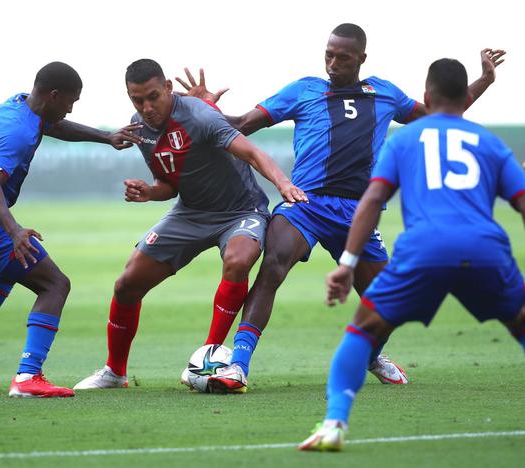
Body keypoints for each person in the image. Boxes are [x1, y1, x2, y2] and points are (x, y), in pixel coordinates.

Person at [176, 23, 505, 393]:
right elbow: (240, 126)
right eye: (328, 55)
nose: (333, 63)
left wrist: (484, 81)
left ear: (361, 59)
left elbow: (439, 116)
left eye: (343, 57)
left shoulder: (385, 93)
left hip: (356, 212)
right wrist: (205, 108)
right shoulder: (304, 90)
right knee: (273, 265)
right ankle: (237, 365)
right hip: (305, 203)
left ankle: (371, 356)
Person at [298, 57, 525, 452]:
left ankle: (334, 423)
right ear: (462, 97)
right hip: (485, 251)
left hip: (424, 251)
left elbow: (372, 198)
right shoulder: (490, 143)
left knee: (361, 330)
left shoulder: (404, 140)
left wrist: (348, 263)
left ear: (425, 96)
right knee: (520, 323)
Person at [73, 59, 307, 391]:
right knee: (127, 283)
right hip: (191, 213)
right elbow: (170, 183)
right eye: (137, 100)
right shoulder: (140, 127)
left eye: (153, 96)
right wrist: (150, 192)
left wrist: (283, 183)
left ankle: (209, 356)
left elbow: (253, 153)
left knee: (239, 261)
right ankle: (114, 371)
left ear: (168, 87)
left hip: (240, 210)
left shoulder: (201, 116)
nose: (147, 107)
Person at [0, 61, 143, 398]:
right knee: (55, 284)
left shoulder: (18, 103)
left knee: (11, 269)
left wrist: (105, 137)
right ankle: (28, 376)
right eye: (71, 101)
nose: (72, 108)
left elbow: (51, 124)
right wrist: (15, 230)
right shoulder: (18, 132)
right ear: (55, 95)